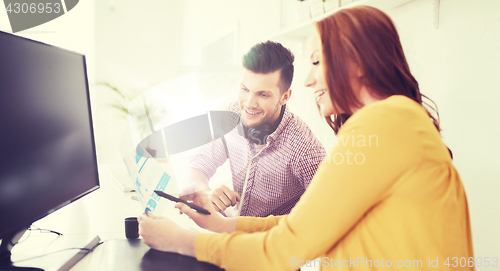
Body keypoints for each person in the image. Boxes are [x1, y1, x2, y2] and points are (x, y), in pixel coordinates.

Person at [138, 6, 474, 270]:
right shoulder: (396, 122)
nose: (310, 80)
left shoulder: (380, 123)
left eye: (316, 60)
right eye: (244, 89)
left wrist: (180, 240)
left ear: (356, 62)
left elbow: (289, 246)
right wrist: (222, 225)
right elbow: (307, 222)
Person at [184, 41, 326, 217]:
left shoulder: (305, 149)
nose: (249, 103)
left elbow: (327, 213)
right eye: (245, 89)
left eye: (263, 94)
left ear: (285, 97)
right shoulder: (233, 113)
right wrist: (206, 193)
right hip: (233, 233)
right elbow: (199, 163)